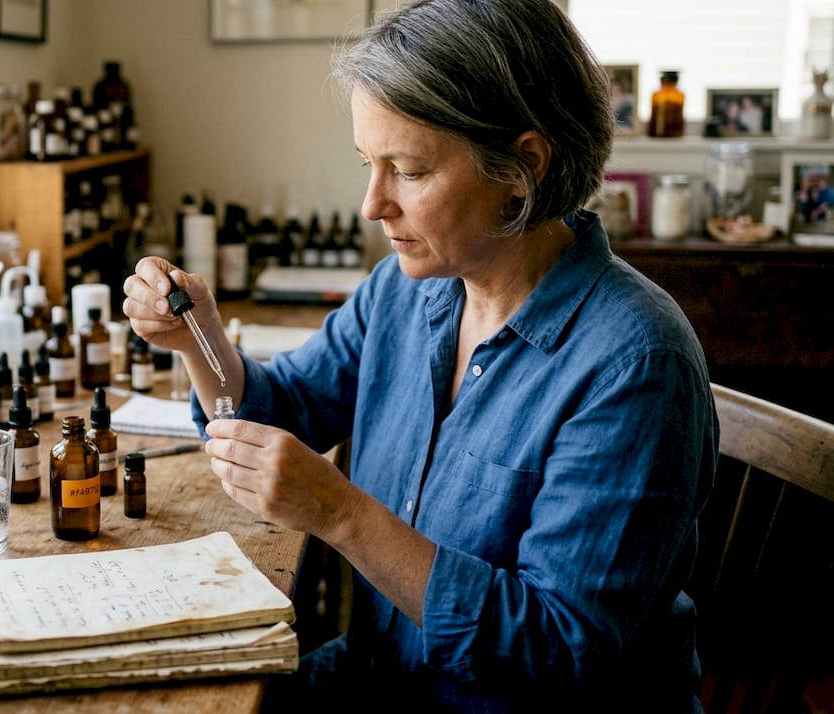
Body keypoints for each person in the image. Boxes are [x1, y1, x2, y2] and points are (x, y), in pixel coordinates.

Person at [122, 0, 717, 711]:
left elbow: (558, 654)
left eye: (407, 170)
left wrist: (344, 515)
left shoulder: (635, 366)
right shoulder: (407, 294)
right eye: (368, 164)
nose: (372, 204)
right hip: (384, 676)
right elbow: (283, 414)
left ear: (521, 169)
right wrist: (200, 339)